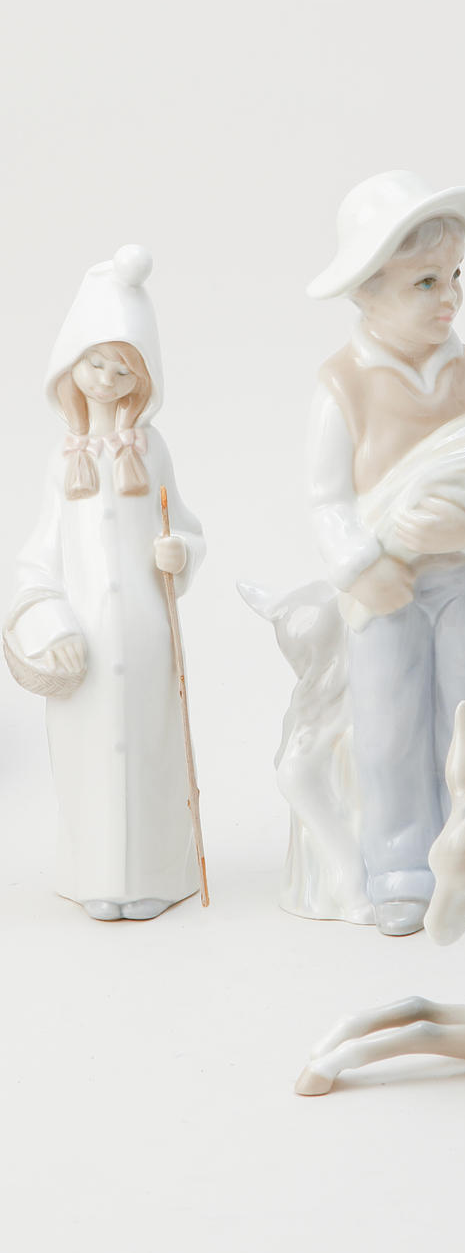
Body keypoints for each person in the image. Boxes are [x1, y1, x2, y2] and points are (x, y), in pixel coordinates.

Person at [306, 171, 465, 935]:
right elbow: (326, 500)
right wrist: (361, 566)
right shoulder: (344, 385)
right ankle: (400, 864)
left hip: (462, 577)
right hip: (386, 587)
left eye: (455, 277)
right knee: (389, 727)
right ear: (367, 292)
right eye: (426, 283)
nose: (451, 298)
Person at [7, 246, 205, 920]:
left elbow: (187, 526)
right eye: (95, 363)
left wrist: (181, 553)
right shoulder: (59, 461)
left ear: (142, 378)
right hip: (85, 643)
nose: (107, 379)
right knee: (88, 757)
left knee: (150, 753)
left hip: (148, 637)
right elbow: (37, 560)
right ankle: (94, 873)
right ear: (70, 363)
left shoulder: (152, 449)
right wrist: (53, 626)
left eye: (124, 369)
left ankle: (155, 873)